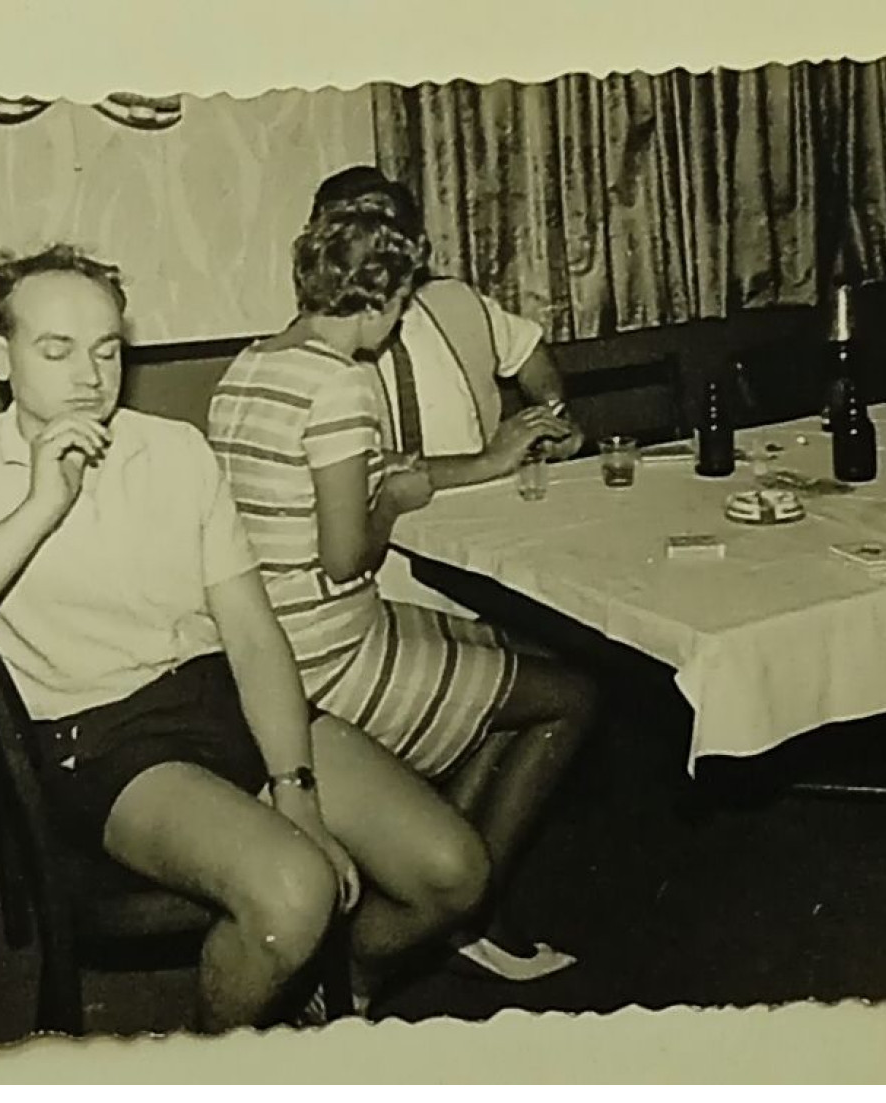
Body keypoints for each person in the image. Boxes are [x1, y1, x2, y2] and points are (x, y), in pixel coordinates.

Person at [0, 244, 489, 1032]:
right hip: (94, 736)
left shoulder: (175, 451)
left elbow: (253, 635)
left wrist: (294, 789)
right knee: (293, 891)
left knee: (452, 872)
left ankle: (345, 981)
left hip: (211, 694)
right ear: (1, 355)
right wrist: (36, 506)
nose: (89, 375)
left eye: (106, 348)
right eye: (55, 349)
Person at [207, 200, 599, 982]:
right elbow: (347, 556)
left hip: (265, 649)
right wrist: (391, 498)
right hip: (333, 657)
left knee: (511, 657)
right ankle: (403, 938)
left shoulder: (245, 368)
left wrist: (396, 483)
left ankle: (449, 872)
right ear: (382, 298)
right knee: (572, 696)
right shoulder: (342, 384)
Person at [309, 165, 583, 614]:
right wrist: (491, 460)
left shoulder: (455, 300)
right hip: (389, 568)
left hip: (492, 537)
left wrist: (551, 417)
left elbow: (529, 351)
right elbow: (374, 478)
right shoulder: (323, 350)